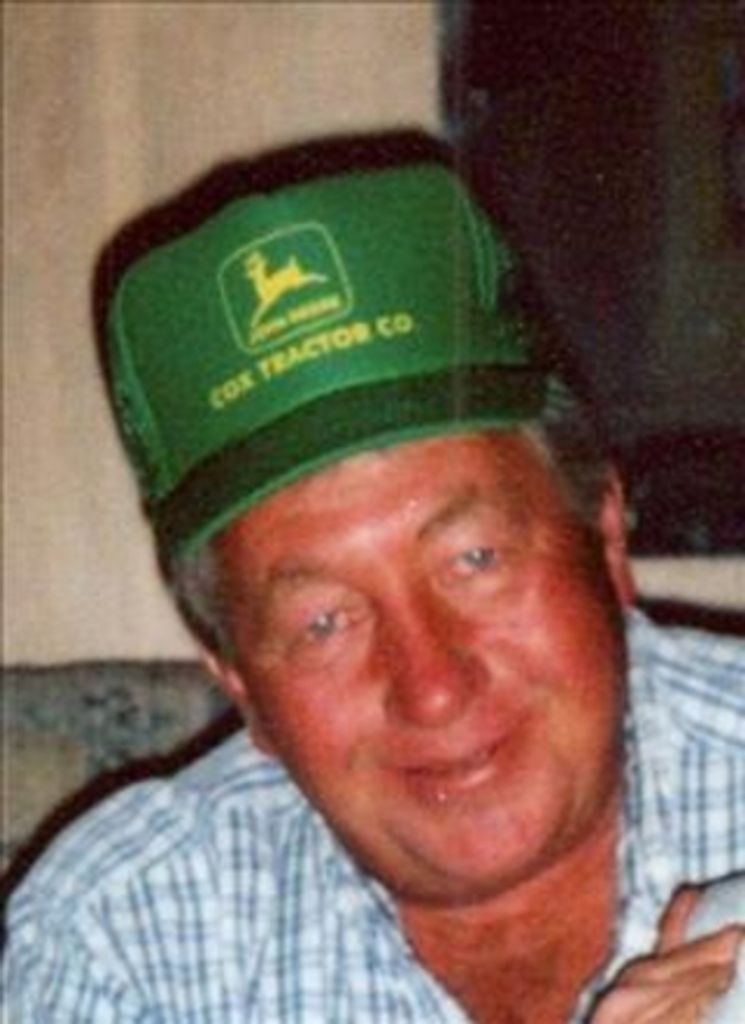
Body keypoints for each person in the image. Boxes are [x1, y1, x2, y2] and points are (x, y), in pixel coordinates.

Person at [4, 134, 744, 1023]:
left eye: (473, 561)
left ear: (606, 537)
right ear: (239, 685)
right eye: (324, 622)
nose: (431, 687)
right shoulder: (123, 935)